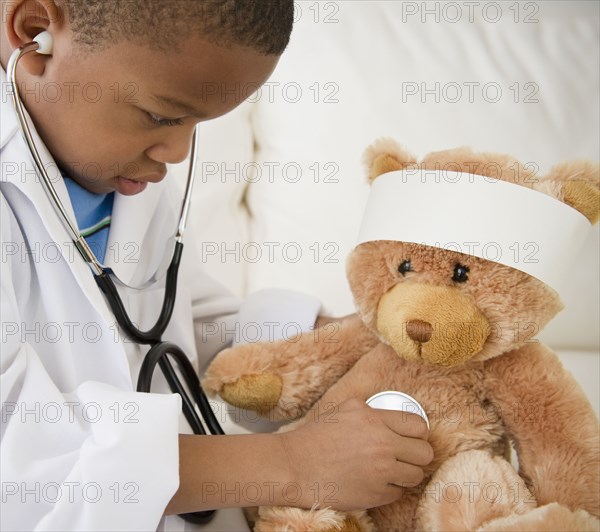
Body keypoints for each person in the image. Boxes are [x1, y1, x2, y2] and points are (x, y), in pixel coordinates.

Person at [0, 1, 433, 530]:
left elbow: (166, 324)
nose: (178, 151)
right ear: (36, 32)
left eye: (196, 124)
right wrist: (293, 465)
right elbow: (19, 459)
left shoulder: (117, 173)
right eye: (163, 116)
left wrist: (332, 344)